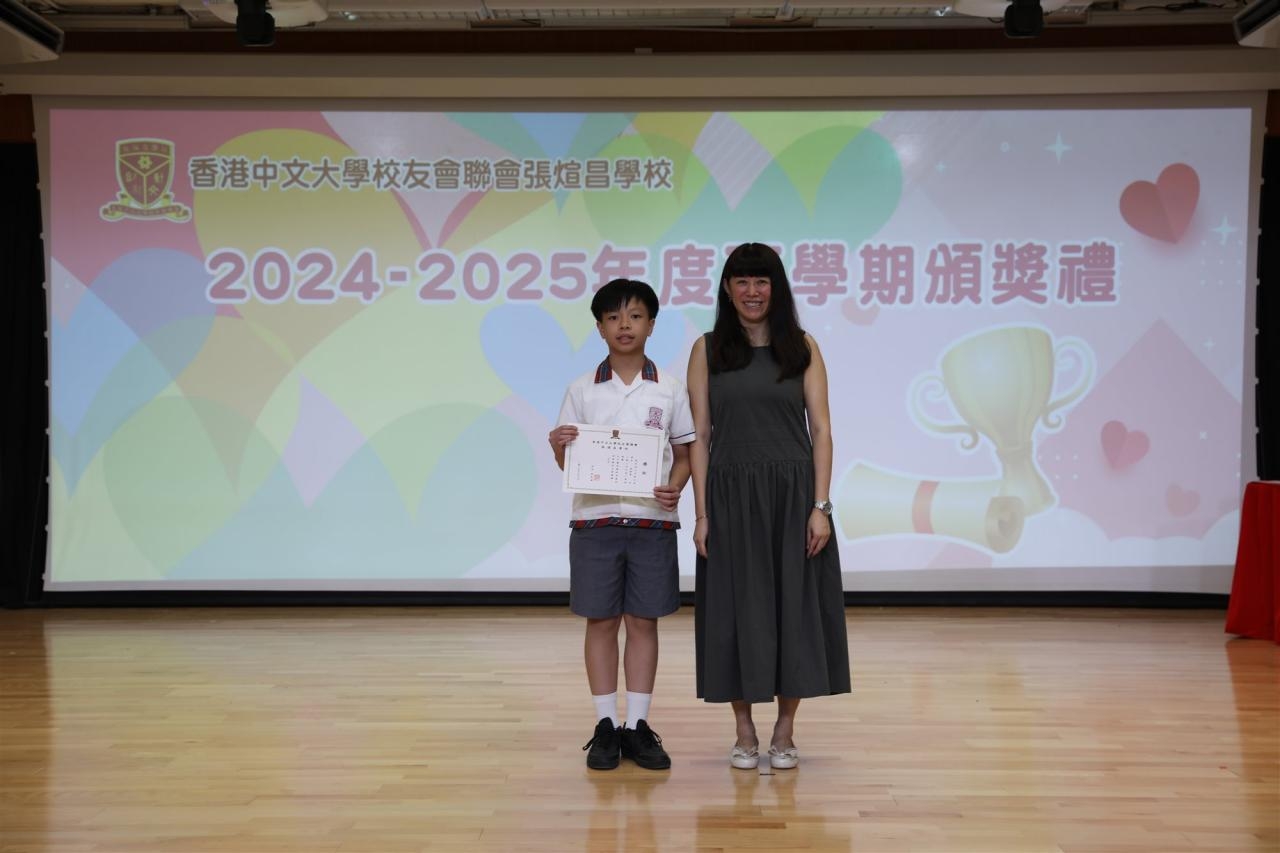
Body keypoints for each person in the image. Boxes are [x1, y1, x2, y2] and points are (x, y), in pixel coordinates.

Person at [686, 242, 851, 770]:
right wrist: (702, 514)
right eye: (742, 281)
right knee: (735, 611)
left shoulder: (802, 347)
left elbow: (821, 429)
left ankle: (785, 729)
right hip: (731, 497)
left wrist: (821, 506)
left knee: (792, 611)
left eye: (762, 281)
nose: (752, 291)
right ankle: (743, 729)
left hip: (791, 497)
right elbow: (700, 436)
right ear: (727, 288)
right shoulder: (707, 349)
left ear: (776, 288)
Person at [548, 278, 696, 771]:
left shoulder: (670, 388)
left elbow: (685, 454)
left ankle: (638, 725)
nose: (624, 325)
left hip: (653, 521)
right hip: (595, 521)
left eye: (634, 316)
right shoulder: (580, 389)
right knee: (601, 621)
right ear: (599, 328)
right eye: (613, 317)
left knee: (643, 621)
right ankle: (606, 725)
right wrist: (558, 447)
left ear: (651, 324)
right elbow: (569, 462)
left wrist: (676, 487)